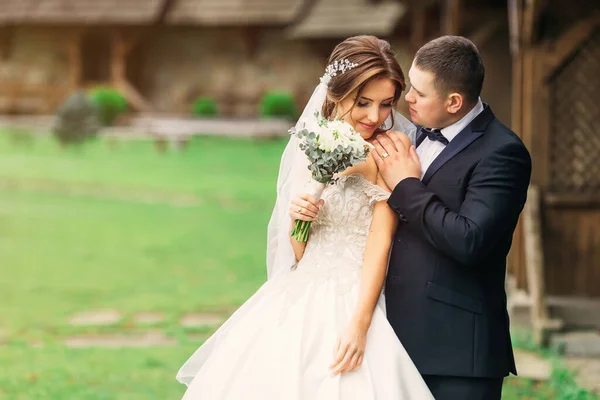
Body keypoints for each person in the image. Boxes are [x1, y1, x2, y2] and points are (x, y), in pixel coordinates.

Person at [176, 35, 433, 399]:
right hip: (300, 292)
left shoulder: (391, 150)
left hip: (355, 295)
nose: (375, 117)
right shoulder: (312, 143)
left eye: (385, 104)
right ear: (335, 94)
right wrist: (301, 218)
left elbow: (381, 239)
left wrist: (359, 325)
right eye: (363, 103)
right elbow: (298, 252)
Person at [370, 35, 532, 400]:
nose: (407, 97)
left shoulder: (503, 153)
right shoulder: (408, 134)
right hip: (392, 340)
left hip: (457, 353)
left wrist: (407, 186)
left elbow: (469, 240)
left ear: (454, 102)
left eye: (419, 92)